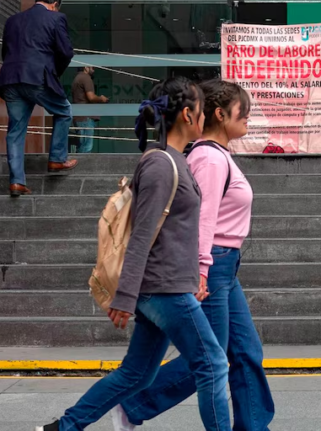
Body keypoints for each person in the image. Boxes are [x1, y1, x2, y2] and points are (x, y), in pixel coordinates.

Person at [37, 77, 232, 431]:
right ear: (188, 115)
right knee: (213, 364)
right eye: (202, 112)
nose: (204, 119)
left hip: (168, 285)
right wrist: (125, 297)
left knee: (137, 375)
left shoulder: (175, 160)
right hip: (162, 289)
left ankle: (62, 428)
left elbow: (175, 233)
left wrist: (193, 278)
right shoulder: (160, 163)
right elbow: (142, 235)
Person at [111, 79, 275, 431]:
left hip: (225, 267)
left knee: (245, 353)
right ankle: (133, 404)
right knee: (209, 359)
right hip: (212, 266)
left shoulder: (217, 156)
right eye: (241, 110)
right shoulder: (210, 159)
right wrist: (201, 270)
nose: (247, 117)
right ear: (219, 114)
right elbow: (203, 219)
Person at [0, 0, 78, 197]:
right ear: (55, 4)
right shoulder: (57, 18)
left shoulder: (13, 20)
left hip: (11, 78)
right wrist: (53, 72)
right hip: (37, 77)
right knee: (64, 111)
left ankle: (16, 182)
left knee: (15, 130)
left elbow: (6, 51)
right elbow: (66, 52)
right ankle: (57, 159)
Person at [71, 67, 109, 153]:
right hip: (85, 118)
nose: (94, 68)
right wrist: (101, 98)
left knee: (82, 146)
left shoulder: (77, 78)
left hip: (80, 117)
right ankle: (82, 166)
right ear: (86, 67)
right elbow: (91, 97)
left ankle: (81, 165)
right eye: (92, 66)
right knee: (86, 148)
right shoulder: (85, 78)